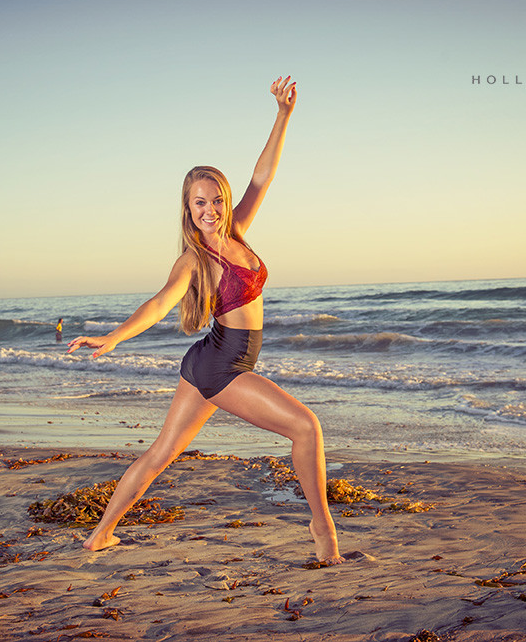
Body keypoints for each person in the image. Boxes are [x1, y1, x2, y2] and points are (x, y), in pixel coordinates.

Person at [67, 76, 343, 565]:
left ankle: (100, 536)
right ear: (188, 210)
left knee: (159, 455)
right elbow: (157, 304)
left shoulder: (236, 230)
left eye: (217, 199)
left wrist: (283, 115)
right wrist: (113, 336)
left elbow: (262, 178)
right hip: (222, 367)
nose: (212, 209)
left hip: (206, 360)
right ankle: (323, 530)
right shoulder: (193, 261)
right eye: (201, 203)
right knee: (307, 429)